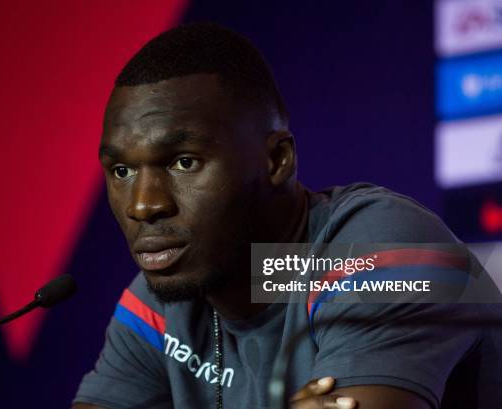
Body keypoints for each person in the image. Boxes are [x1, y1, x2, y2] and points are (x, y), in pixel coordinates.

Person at [72, 22, 502, 409]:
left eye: (183, 162)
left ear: (277, 160)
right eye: (122, 171)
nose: (143, 205)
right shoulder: (164, 299)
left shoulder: (389, 249)